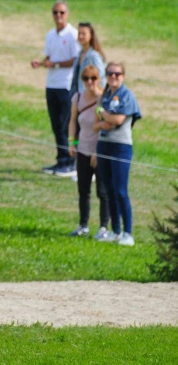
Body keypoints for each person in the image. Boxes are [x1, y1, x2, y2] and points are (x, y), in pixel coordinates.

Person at [30, 0, 79, 176]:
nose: (58, 16)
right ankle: (61, 159)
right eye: (55, 13)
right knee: (56, 125)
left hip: (66, 85)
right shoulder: (50, 34)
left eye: (62, 13)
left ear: (67, 14)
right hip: (51, 84)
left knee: (67, 125)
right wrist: (41, 63)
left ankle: (71, 160)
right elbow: (50, 56)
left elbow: (76, 59)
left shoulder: (73, 35)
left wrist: (55, 64)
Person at [95, 62, 141, 246]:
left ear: (123, 75)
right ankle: (116, 231)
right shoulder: (106, 94)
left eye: (117, 73)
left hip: (120, 146)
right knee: (109, 189)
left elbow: (119, 119)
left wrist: (103, 115)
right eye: (110, 73)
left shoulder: (126, 95)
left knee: (121, 190)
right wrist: (104, 119)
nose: (113, 76)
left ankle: (128, 233)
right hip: (103, 145)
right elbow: (96, 119)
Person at [67, 64, 110, 238]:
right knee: (83, 190)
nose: (90, 82)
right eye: (86, 79)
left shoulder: (103, 100)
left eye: (93, 78)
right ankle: (83, 225)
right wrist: (71, 142)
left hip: (99, 151)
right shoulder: (77, 98)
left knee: (102, 191)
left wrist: (97, 152)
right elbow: (72, 121)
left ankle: (103, 227)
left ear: (99, 79)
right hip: (82, 149)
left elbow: (105, 128)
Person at [71, 22, 106, 100]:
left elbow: (102, 78)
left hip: (90, 98)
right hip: (78, 98)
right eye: (79, 33)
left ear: (90, 36)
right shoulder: (79, 55)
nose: (80, 36)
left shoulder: (94, 56)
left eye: (84, 34)